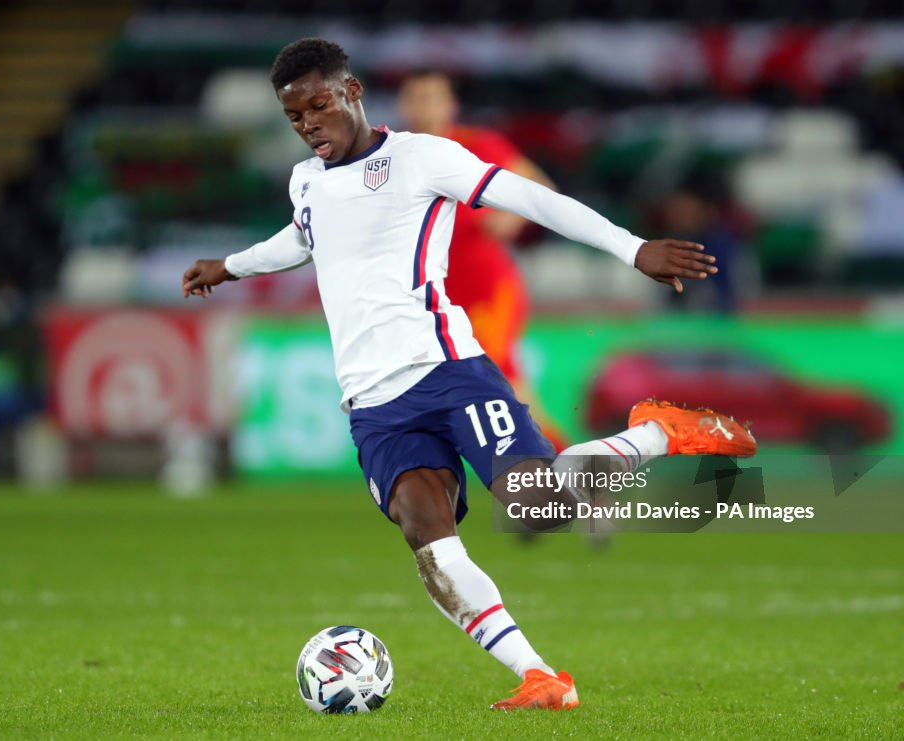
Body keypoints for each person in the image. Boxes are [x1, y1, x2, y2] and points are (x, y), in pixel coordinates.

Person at [182, 38, 756, 711]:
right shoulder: (305, 178)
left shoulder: (422, 158)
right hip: (372, 404)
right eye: (295, 118)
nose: (310, 125)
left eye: (319, 106)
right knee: (426, 536)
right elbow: (305, 235)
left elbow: (535, 200)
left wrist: (634, 249)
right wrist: (233, 264)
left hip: (447, 369)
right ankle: (540, 674)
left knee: (537, 509)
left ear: (353, 92)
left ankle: (660, 432)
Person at [397, 70, 568, 450]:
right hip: (434, 294)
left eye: (431, 98)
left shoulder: (478, 145)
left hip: (485, 287)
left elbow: (542, 190)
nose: (423, 108)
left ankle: (573, 477)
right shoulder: (393, 154)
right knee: (493, 390)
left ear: (450, 105)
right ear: (402, 105)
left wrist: (511, 216)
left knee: (498, 381)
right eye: (415, 99)